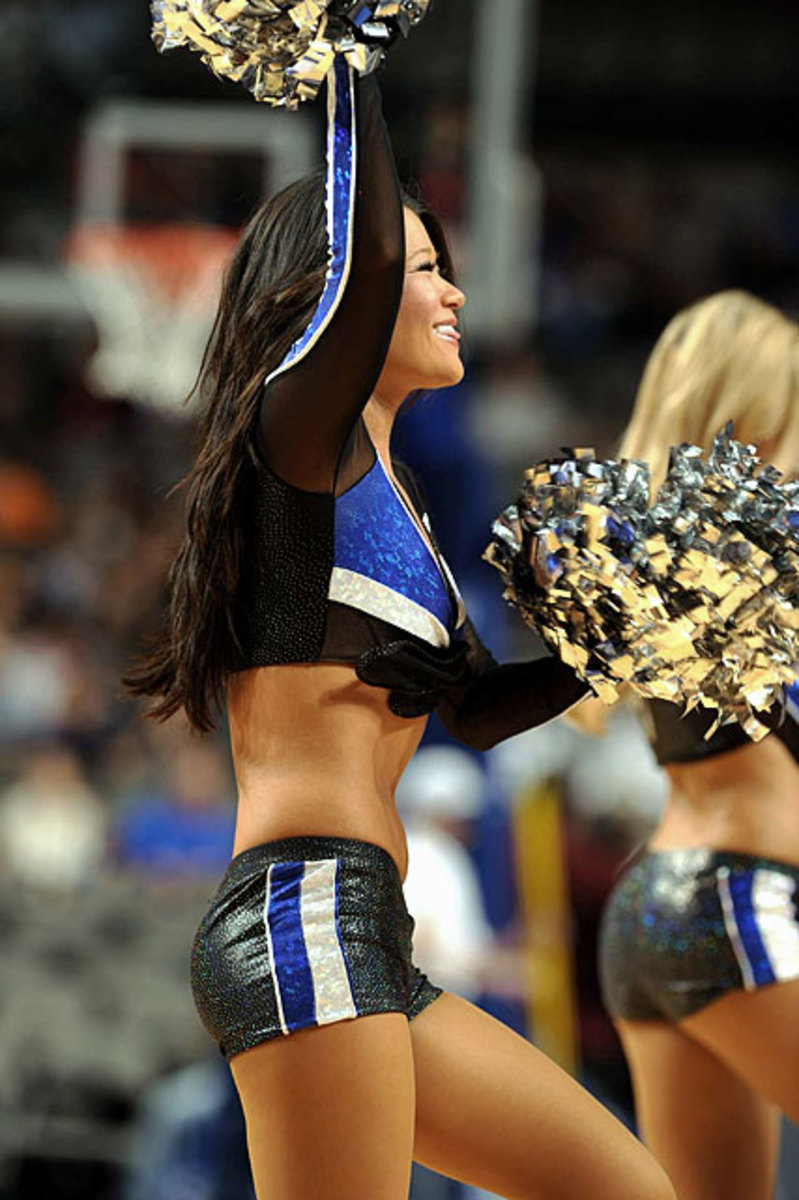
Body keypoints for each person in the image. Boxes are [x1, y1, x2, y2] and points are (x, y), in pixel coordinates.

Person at [127, 58, 674, 1200]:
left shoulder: (399, 507)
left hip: (369, 931)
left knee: (625, 1187)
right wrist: (351, 61)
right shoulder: (298, 441)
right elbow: (369, 258)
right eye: (429, 270)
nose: (452, 293)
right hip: (303, 912)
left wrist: (612, 643)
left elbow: (474, 714)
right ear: (343, 292)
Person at [596, 291, 799, 1200]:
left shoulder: (646, 550)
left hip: (653, 911)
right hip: (738, 907)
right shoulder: (753, 546)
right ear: (759, 409)